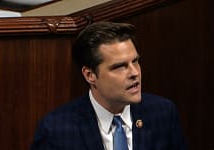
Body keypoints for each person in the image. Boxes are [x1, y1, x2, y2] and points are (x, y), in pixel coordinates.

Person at [30, 21, 187, 150]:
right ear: (90, 75)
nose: (134, 73)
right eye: (119, 66)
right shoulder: (57, 130)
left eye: (135, 61)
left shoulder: (162, 113)